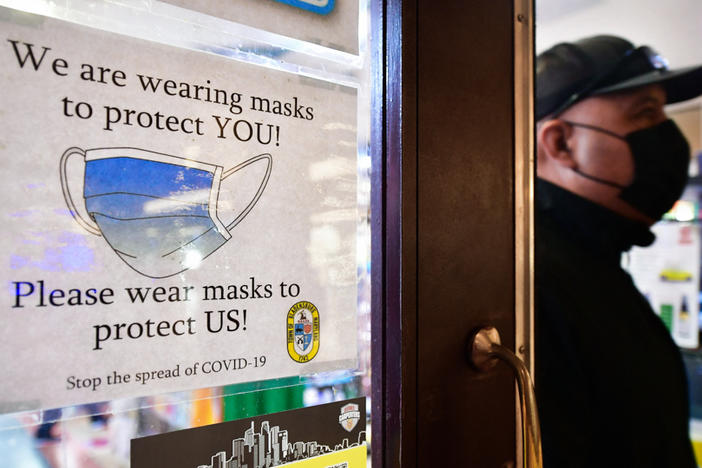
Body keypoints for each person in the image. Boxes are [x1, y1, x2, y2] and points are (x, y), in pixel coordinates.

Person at [535, 35, 702, 467]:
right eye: (645, 114)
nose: (668, 134)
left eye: (663, 112)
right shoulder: (528, 281)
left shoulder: (593, 260)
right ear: (560, 144)